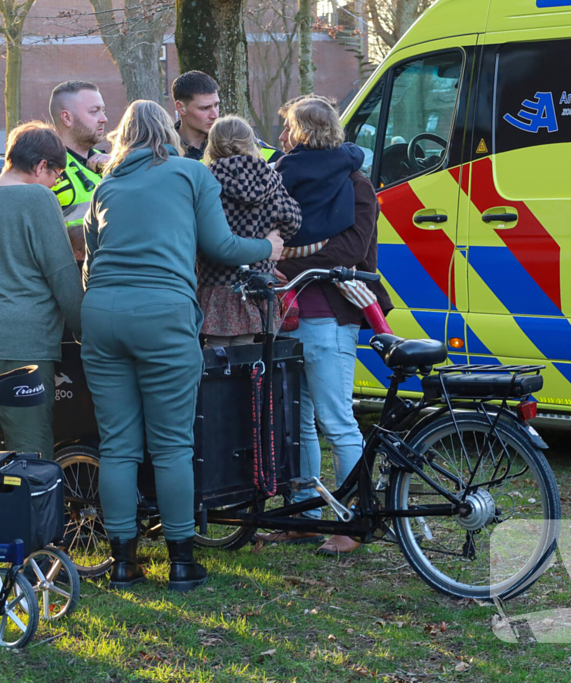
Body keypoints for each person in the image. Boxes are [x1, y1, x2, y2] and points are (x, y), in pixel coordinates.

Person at [81, 100, 285, 592]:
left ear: (125, 137)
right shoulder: (192, 174)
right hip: (164, 313)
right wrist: (269, 248)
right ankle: (181, 561)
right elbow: (220, 245)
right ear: (168, 133)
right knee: (172, 444)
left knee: (117, 445)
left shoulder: (106, 185)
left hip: (102, 313)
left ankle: (123, 562)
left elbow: (90, 260)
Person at [259, 97, 392, 556]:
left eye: (287, 129)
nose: (281, 138)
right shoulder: (296, 179)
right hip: (292, 314)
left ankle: (352, 523)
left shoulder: (351, 184)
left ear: (301, 133)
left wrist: (284, 266)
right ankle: (305, 517)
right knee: (299, 422)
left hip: (327, 316)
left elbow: (350, 251)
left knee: (336, 422)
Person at [0, 121, 84, 460]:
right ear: (41, 166)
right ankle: (32, 498)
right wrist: (87, 331)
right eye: (56, 176)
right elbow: (61, 273)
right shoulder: (37, 197)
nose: (54, 185)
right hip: (20, 343)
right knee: (29, 451)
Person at [197, 115, 302, 347]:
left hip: (215, 283)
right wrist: (272, 235)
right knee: (249, 358)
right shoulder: (270, 177)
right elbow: (293, 220)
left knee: (216, 358)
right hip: (257, 284)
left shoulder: (206, 179)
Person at [171, 71, 283, 163]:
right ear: (181, 108)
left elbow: (280, 159)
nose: (215, 115)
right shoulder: (165, 151)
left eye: (216, 105)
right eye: (205, 108)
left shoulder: (239, 143)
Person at [49, 80, 110, 244]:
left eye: (103, 110)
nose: (104, 119)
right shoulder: (47, 169)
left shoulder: (111, 161)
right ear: (67, 118)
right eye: (94, 111)